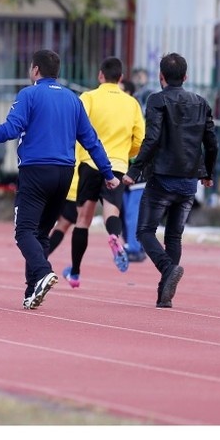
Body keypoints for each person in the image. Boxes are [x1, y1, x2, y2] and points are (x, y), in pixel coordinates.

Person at [0, 50, 119, 310]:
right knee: (41, 233)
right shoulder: (73, 100)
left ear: (35, 70)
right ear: (56, 72)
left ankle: (44, 271)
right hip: (65, 173)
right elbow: (91, 140)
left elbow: (11, 129)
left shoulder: (29, 94)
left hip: (36, 171)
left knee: (23, 231)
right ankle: (32, 290)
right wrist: (108, 173)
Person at [123, 53, 218, 309]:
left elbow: (151, 138)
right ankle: (164, 295)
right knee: (174, 237)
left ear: (160, 76)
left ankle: (167, 269)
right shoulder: (201, 102)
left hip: (163, 178)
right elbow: (211, 142)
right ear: (186, 77)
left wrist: (134, 170)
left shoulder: (156, 99)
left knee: (144, 231)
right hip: (189, 180)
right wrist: (208, 173)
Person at [62, 57, 144, 287]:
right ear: (120, 78)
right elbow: (140, 138)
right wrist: (127, 152)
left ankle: (76, 272)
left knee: (83, 219)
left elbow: (75, 123)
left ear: (100, 76)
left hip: (90, 162)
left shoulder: (88, 97)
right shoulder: (132, 104)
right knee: (112, 212)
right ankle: (114, 237)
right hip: (117, 164)